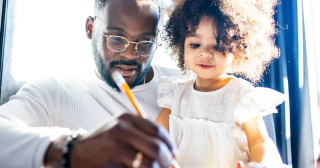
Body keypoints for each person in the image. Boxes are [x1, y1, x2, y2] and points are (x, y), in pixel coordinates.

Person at [0, 0, 179, 168]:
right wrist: (70, 148)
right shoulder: (56, 90)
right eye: (116, 38)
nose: (130, 55)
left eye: (145, 42)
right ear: (90, 28)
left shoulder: (184, 87)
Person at [156, 0, 286, 167]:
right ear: (181, 45)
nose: (205, 53)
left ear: (238, 50)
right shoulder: (175, 93)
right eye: (195, 44)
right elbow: (156, 137)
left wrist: (256, 165)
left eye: (218, 46)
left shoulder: (241, 95)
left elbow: (259, 142)